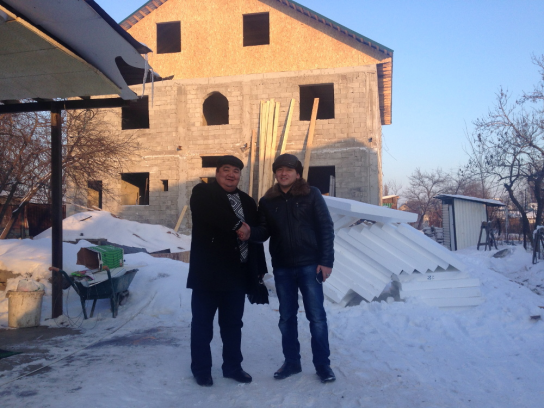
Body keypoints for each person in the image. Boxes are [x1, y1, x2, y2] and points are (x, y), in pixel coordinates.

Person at [238, 153, 336, 383]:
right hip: (282, 267)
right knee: (286, 317)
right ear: (275, 173)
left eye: (288, 170)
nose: (283, 173)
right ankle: (292, 362)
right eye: (279, 170)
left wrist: (326, 261)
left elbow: (325, 227)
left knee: (317, 317)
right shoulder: (267, 201)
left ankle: (323, 365)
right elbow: (264, 231)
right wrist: (250, 233)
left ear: (297, 173)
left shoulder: (312, 194)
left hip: (310, 265)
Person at [187, 155, 267, 387]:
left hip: (236, 274)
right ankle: (201, 369)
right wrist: (237, 225)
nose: (231, 174)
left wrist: (259, 269)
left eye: (236, 171)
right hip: (208, 274)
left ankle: (233, 367)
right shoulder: (203, 193)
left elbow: (254, 236)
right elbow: (211, 213)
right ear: (217, 172)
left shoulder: (247, 201)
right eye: (226, 169)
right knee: (202, 325)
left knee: (233, 325)